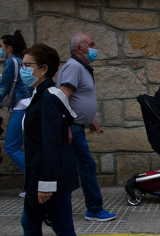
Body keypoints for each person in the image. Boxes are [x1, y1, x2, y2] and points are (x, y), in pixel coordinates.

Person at [21, 43, 80, 236]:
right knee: (30, 224)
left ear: (43, 68)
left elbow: (51, 144)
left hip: (49, 181)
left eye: (28, 65)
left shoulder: (47, 98)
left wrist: (46, 184)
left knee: (64, 230)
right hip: (39, 177)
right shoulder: (41, 95)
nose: (23, 70)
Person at [56, 33, 116, 222]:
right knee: (86, 166)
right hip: (72, 127)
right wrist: (66, 124)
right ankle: (94, 209)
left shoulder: (81, 67)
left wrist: (88, 119)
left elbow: (77, 100)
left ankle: (56, 206)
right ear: (79, 49)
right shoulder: (74, 67)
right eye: (91, 44)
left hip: (76, 125)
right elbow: (63, 97)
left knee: (73, 166)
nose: (94, 47)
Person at [0, 30, 33, 198]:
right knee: (25, 147)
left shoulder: (11, 62)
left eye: (0, 46)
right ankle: (31, 183)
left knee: (11, 146)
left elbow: (4, 87)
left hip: (20, 107)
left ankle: (34, 181)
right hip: (28, 106)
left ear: (8, 48)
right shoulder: (21, 61)